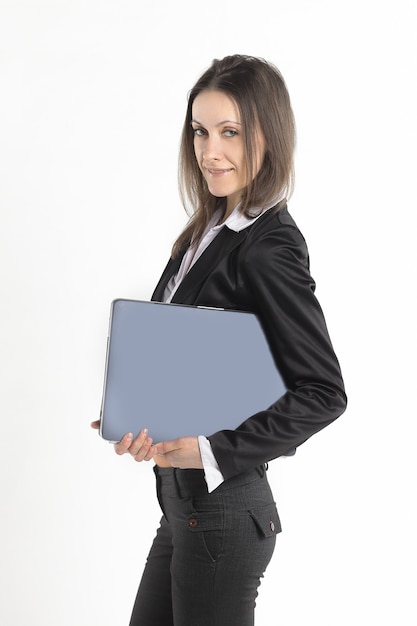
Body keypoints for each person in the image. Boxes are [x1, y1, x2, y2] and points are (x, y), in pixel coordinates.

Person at [91, 54, 347, 626]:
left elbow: (323, 391)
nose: (210, 152)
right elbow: (191, 361)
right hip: (183, 510)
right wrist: (141, 420)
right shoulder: (203, 234)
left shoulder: (269, 244)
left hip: (225, 515)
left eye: (231, 133)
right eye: (201, 131)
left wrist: (207, 450)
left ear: (268, 136)